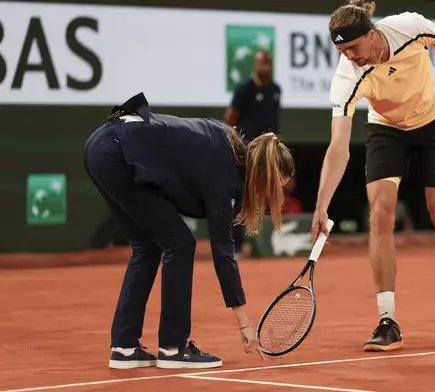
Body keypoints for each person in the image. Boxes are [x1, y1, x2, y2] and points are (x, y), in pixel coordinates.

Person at [84, 92, 294, 369]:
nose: (274, 196)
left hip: (101, 146)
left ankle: (124, 347)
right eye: (276, 187)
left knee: (148, 247)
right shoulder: (225, 180)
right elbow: (223, 254)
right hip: (117, 153)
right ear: (264, 174)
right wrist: (245, 325)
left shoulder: (226, 140)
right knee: (180, 244)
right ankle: (173, 347)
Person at [311, 0, 435, 352]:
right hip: (387, 129)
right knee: (381, 212)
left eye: (354, 47)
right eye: (342, 51)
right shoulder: (347, 76)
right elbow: (338, 147)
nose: (350, 56)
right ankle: (388, 320)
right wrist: (321, 203)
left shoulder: (408, 26)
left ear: (372, 35)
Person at [225, 49, 282, 256]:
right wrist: (237, 147)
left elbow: (275, 122)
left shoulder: (276, 89)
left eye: (268, 62)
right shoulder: (244, 89)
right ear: (254, 65)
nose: (264, 66)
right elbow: (231, 118)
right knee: (240, 197)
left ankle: (265, 244)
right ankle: (236, 246)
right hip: (246, 151)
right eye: (261, 62)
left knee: (266, 194)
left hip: (267, 152)